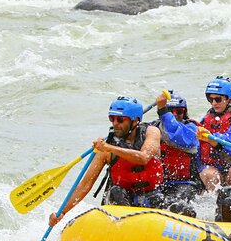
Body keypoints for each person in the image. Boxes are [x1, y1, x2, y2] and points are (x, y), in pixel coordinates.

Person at [49, 96, 163, 226]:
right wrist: (62, 212)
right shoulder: (105, 149)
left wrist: (109, 148)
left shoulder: (151, 132)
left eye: (120, 119)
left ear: (135, 120)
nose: (115, 123)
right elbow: (85, 185)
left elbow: (143, 157)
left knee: (158, 197)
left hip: (150, 195)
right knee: (116, 192)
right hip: (121, 201)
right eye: (112, 119)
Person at [151, 90, 202, 216]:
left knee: (179, 202)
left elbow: (177, 136)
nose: (174, 115)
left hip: (187, 183)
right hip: (162, 183)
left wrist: (163, 111)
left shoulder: (192, 129)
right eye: (170, 111)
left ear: (184, 112)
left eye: (179, 111)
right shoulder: (153, 128)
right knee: (155, 199)